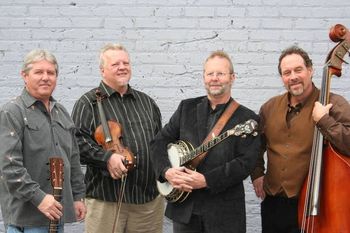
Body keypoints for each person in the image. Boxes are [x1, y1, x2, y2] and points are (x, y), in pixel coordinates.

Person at [150, 50, 260, 233]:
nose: (214, 78)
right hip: (186, 211)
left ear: (232, 78)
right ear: (204, 78)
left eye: (220, 73)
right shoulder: (186, 108)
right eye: (210, 74)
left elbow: (245, 163)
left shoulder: (247, 118)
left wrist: (206, 180)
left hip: (224, 214)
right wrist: (166, 171)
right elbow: (159, 142)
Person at [251, 45, 350, 233]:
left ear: (310, 70)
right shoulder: (269, 107)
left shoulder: (333, 103)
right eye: (286, 72)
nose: (293, 76)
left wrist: (324, 120)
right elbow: (255, 145)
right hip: (274, 206)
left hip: (316, 205)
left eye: (298, 70)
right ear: (282, 78)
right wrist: (256, 173)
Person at [71, 43, 164, 233]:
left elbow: (158, 144)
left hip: (147, 202)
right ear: (102, 70)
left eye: (126, 62)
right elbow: (77, 144)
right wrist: (107, 158)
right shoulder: (87, 103)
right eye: (115, 64)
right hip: (107, 201)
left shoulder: (147, 102)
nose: (122, 67)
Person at [0, 49, 86, 233]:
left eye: (51, 72)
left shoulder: (61, 112)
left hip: (57, 214)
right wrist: (39, 198)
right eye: (39, 72)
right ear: (24, 75)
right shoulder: (12, 112)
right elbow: (9, 167)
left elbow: (73, 158)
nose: (45, 77)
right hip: (26, 219)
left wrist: (78, 196)